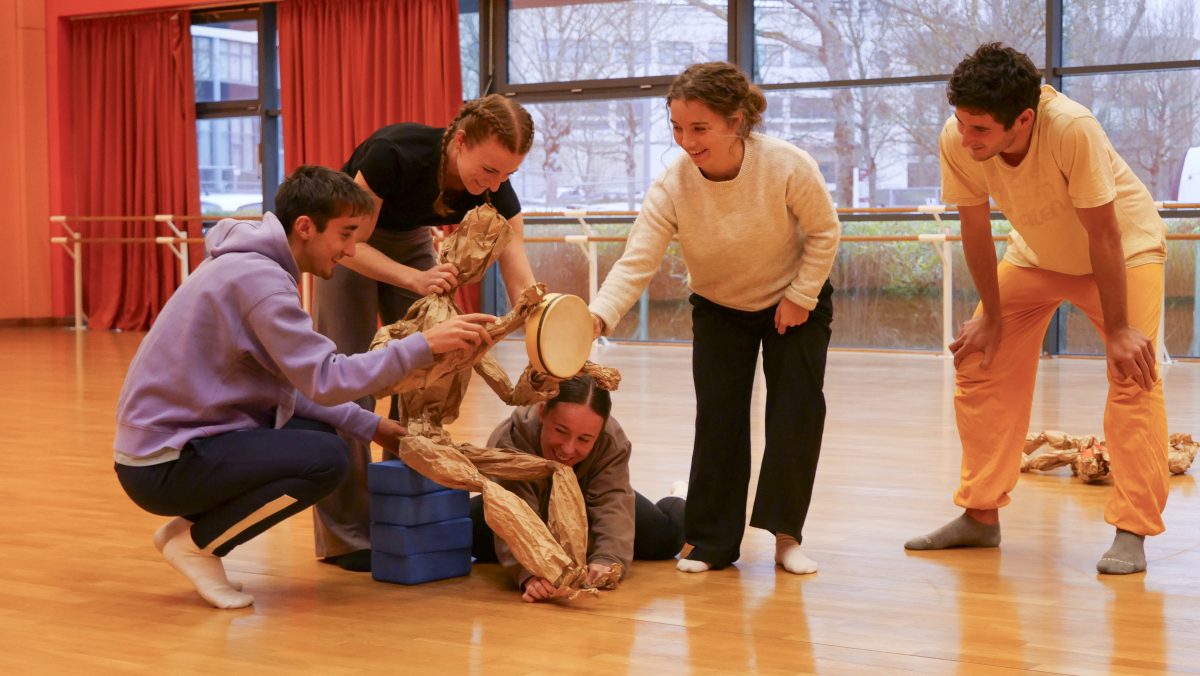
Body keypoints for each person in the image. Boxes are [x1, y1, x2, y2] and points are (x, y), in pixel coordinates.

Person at [113, 165, 495, 609]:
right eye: (346, 234)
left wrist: (371, 426)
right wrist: (422, 345)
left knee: (317, 439)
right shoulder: (261, 283)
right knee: (325, 460)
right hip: (162, 464)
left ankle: (193, 533)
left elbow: (292, 388)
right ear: (306, 228)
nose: (352, 250)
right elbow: (325, 378)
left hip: (172, 449)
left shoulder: (253, 268)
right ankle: (199, 544)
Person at [904, 43, 1169, 575]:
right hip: (1038, 256)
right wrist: (993, 318)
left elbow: (1104, 232)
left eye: (979, 129)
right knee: (981, 360)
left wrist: (1119, 329)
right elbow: (975, 228)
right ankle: (980, 516)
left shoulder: (1072, 128)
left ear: (1023, 119)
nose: (965, 136)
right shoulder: (960, 138)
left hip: (1122, 253)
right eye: (961, 122)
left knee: (1132, 376)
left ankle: (1132, 530)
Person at [588, 62, 841, 575]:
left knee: (795, 414)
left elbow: (824, 231)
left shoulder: (787, 165)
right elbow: (637, 259)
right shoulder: (673, 183)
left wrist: (800, 295)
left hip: (795, 302)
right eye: (677, 128)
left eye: (699, 128)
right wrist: (596, 317)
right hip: (720, 307)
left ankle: (787, 537)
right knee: (719, 420)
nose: (686, 140)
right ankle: (712, 542)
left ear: (738, 121)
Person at [312, 95, 539, 572]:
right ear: (459, 142)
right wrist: (415, 279)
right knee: (348, 383)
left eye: (506, 176)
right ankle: (345, 536)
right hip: (351, 241)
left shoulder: (495, 185)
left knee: (423, 380)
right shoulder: (394, 152)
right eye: (488, 170)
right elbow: (352, 242)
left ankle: (404, 514)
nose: (494, 184)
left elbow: (518, 266)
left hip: (411, 239)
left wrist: (539, 323)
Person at [470, 375, 687, 602]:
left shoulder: (612, 440)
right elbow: (512, 515)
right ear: (543, 412)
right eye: (561, 431)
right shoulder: (510, 439)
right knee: (465, 534)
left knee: (666, 537)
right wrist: (532, 574)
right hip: (526, 507)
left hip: (587, 506)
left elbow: (611, 500)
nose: (568, 449)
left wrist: (607, 559)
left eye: (584, 439)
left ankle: (678, 498)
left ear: (600, 432)